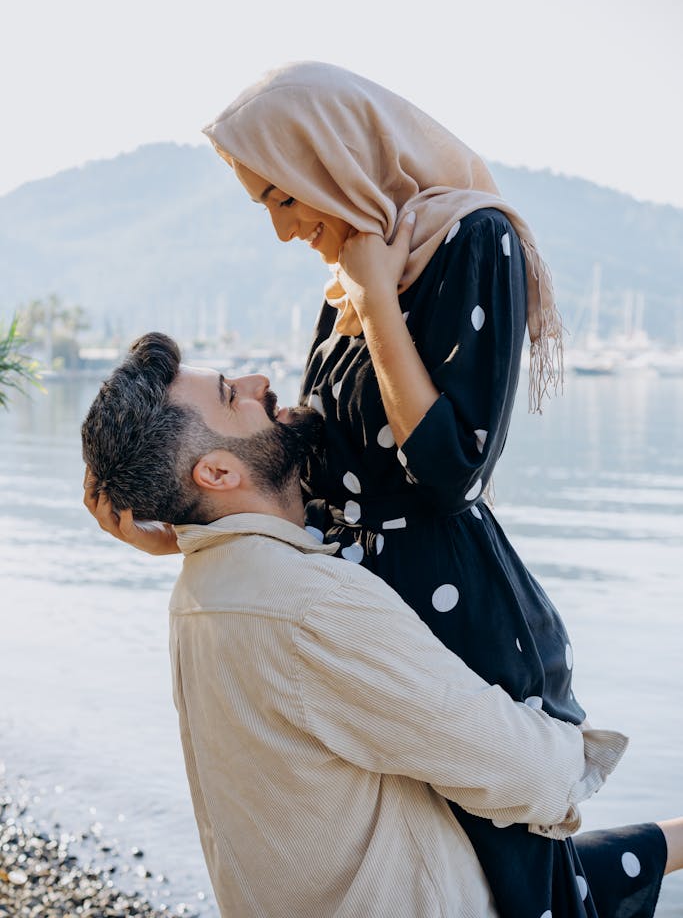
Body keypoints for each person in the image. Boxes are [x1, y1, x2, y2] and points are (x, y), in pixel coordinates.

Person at [85, 63, 680, 917]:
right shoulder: (353, 276)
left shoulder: (472, 241)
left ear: (330, 159)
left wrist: (375, 299)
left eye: (282, 198)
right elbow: (299, 452)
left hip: (454, 613)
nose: (285, 232)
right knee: (511, 881)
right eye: (267, 207)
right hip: (361, 597)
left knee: (526, 883)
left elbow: (451, 471)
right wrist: (158, 510)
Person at [81, 332, 634, 918]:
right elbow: (533, 774)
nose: (258, 383)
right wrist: (571, 747)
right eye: (230, 395)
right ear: (216, 472)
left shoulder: (200, 592)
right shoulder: (303, 605)